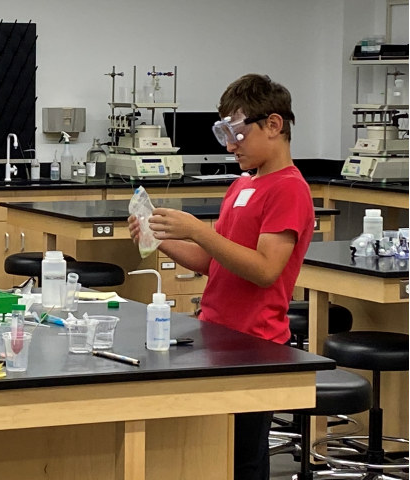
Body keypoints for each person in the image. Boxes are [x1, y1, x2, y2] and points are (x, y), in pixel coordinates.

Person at [128, 74, 314, 480]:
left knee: (243, 458)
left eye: (237, 133)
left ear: (273, 125)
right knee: (212, 449)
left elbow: (266, 271)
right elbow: (213, 261)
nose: (230, 146)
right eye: (223, 134)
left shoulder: (289, 190)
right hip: (218, 334)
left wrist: (198, 229)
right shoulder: (242, 185)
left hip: (256, 343)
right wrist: (157, 239)